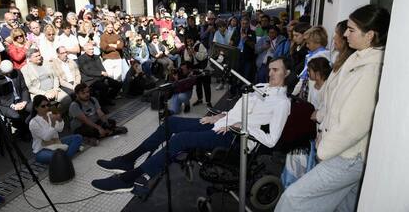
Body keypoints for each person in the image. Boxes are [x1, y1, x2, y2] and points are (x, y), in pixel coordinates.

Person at [91, 57, 291, 193]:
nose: (270, 73)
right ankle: (128, 159)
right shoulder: (260, 88)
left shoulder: (282, 103)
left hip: (236, 137)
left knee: (181, 140)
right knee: (171, 122)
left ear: (287, 73)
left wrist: (242, 125)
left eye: (276, 70)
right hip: (222, 124)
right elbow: (241, 111)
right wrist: (221, 115)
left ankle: (133, 177)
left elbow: (272, 140)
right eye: (270, 69)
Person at [275, 5, 390, 212]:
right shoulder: (356, 58)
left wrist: (323, 149)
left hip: (346, 156)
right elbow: (334, 101)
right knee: (344, 207)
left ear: (370, 35)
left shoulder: (370, 71)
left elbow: (352, 125)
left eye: (352, 30)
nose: (346, 34)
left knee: (292, 199)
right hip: (340, 151)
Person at [29, 95, 82, 164]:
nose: (46, 107)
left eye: (47, 105)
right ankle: (67, 153)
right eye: (43, 106)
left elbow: (60, 129)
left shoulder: (50, 114)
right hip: (42, 149)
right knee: (55, 156)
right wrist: (53, 124)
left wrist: (60, 120)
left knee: (78, 137)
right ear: (36, 108)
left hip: (57, 143)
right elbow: (46, 138)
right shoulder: (33, 122)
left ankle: (64, 157)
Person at [0, 60, 32, 140]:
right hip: (5, 104)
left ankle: (27, 127)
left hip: (20, 99)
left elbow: (23, 88)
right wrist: (12, 105)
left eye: (10, 72)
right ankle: (24, 132)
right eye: (7, 73)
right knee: (16, 116)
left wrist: (24, 101)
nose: (9, 75)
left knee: (33, 107)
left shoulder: (17, 72)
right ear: (1, 69)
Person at [292, 26, 330, 100]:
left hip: (313, 92)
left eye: (308, 43)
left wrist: (293, 94)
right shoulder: (325, 54)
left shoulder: (316, 57)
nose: (306, 46)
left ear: (317, 42)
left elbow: (303, 78)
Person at [184, 35, 212, 107]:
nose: (189, 43)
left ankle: (208, 102)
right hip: (195, 69)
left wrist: (195, 53)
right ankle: (200, 99)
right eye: (187, 42)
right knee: (198, 85)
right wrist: (190, 56)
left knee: (206, 85)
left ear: (193, 40)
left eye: (190, 41)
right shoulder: (186, 49)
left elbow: (203, 57)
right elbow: (186, 59)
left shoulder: (200, 45)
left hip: (204, 67)